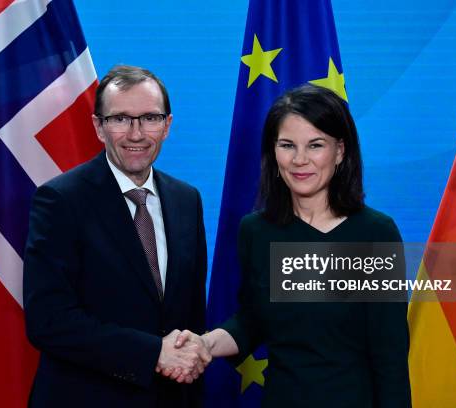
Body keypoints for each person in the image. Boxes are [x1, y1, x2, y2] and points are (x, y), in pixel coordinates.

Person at [171, 85, 411, 407]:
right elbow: (253, 320)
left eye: (315, 145)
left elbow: (391, 354)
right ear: (273, 152)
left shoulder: (376, 234)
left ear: (340, 151)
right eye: (287, 145)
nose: (300, 160)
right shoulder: (255, 231)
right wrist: (205, 344)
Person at [23, 65, 210, 407]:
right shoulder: (61, 200)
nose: (136, 134)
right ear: (99, 126)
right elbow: (48, 321)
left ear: (167, 126)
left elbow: (191, 313)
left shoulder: (187, 200)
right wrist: (153, 353)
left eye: (150, 118)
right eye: (121, 119)